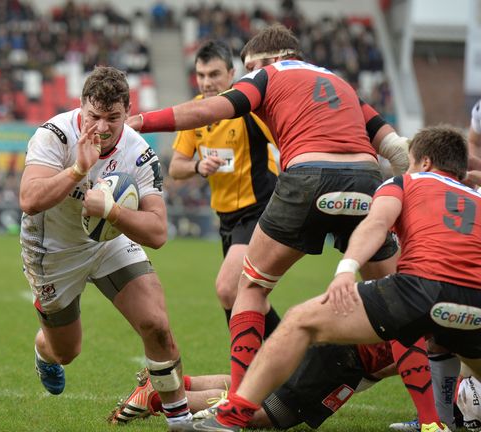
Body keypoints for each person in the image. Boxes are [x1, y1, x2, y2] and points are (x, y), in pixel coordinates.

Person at [128, 22, 410, 396]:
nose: (246, 75)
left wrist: (141, 121)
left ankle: (244, 395)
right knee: (399, 302)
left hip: (282, 197)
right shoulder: (337, 83)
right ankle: (435, 410)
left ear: (270, 61)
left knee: (242, 287)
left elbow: (234, 117)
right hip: (348, 186)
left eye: (243, 69)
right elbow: (397, 150)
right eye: (201, 74)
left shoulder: (262, 87)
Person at [169, 125, 479, 432]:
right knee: (430, 336)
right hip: (474, 302)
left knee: (299, 320)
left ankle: (227, 417)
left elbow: (375, 224)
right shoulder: (476, 198)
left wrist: (347, 268)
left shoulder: (404, 182)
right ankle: (433, 422)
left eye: (410, 161)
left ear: (423, 162)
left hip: (416, 293)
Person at [18, 66, 192, 426]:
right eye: (93, 116)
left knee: (156, 323)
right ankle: (43, 351)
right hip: (53, 251)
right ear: (81, 108)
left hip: (109, 243)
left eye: (113, 118)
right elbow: (29, 199)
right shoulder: (54, 135)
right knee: (67, 351)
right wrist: (78, 171)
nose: (101, 127)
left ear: (127, 113)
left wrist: (111, 211)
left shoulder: (140, 152)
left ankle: (180, 420)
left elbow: (158, 233)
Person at [168, 40, 281, 333]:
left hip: (259, 210)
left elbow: (285, 139)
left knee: (227, 288)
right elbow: (175, 167)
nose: (207, 82)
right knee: (245, 297)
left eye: (214, 74)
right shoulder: (195, 113)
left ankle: (261, 364)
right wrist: (197, 166)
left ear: (232, 74)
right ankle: (280, 355)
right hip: (227, 218)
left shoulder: (250, 106)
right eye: (201, 75)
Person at [110, 341, 396, 429]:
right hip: (345, 359)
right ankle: (157, 398)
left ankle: (174, 386)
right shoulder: (432, 307)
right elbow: (409, 359)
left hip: (329, 331)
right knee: (265, 413)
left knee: (251, 382)